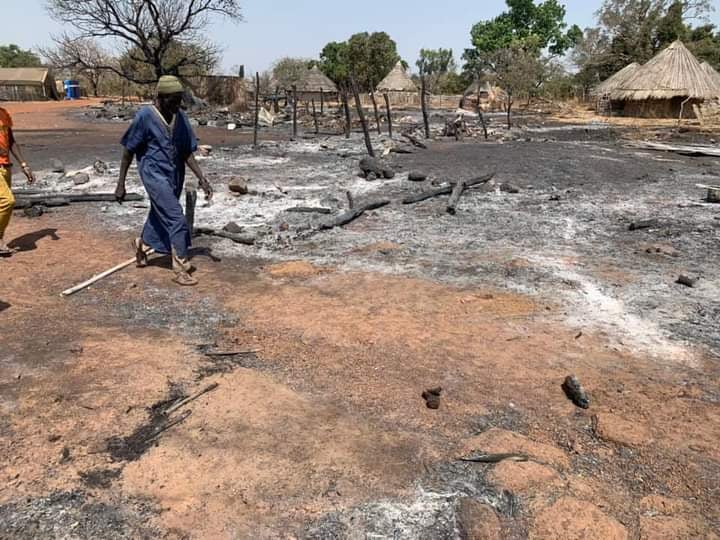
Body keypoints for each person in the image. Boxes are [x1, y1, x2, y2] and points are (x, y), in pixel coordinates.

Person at [115, 75, 213, 286]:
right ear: (159, 97)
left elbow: (187, 151)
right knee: (176, 218)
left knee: (161, 215)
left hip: (174, 174)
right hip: (153, 174)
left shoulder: (181, 117)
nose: (177, 105)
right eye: (172, 100)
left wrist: (202, 178)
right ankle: (181, 268)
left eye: (179, 100)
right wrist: (120, 182)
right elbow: (128, 150)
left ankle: (141, 244)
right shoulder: (145, 116)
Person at [0, 106, 36, 256]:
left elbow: (11, 140)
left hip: (6, 165)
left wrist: (24, 165)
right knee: (7, 201)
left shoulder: (3, 113)